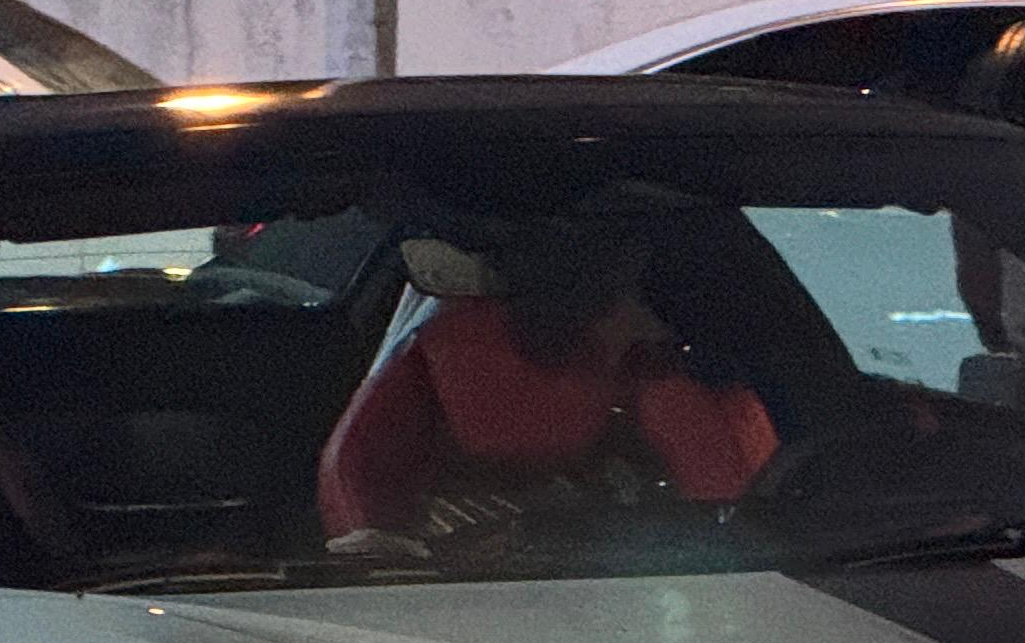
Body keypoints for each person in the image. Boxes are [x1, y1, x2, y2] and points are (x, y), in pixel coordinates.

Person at [316, 220, 779, 545]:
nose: (668, 327)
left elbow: (745, 523)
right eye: (641, 295)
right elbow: (365, 520)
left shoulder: (693, 392)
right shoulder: (445, 374)